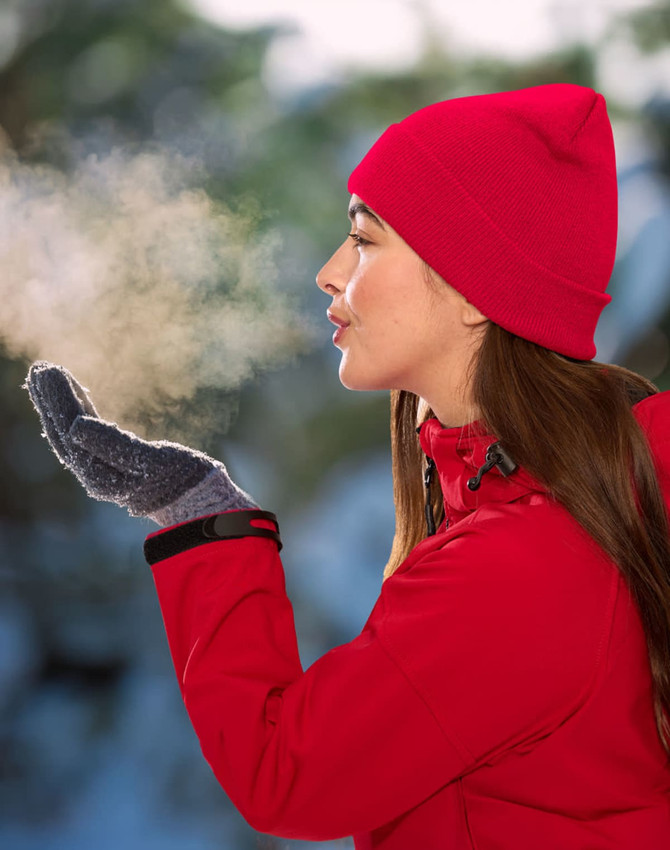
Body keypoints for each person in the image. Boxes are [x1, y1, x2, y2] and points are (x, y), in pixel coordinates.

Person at [23, 82, 670, 848]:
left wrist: (200, 516)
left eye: (365, 240)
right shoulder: (549, 501)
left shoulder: (522, 565)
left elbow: (287, 774)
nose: (331, 272)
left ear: (472, 287)